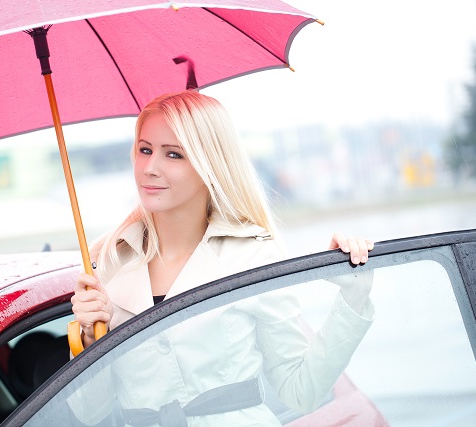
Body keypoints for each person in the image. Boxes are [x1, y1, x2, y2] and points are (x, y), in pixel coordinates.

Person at [70, 90, 374, 426]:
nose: (150, 168)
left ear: (209, 165)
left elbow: (300, 392)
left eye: (173, 154)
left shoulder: (252, 255)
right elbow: (89, 413)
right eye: (145, 150)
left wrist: (353, 299)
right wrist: (87, 336)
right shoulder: (107, 264)